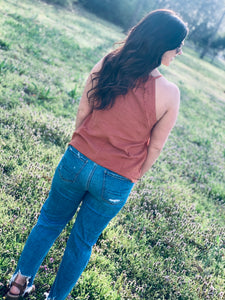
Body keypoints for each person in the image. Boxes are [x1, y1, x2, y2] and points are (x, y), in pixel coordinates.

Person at [6, 9, 188, 300]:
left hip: (77, 159)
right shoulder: (170, 93)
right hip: (116, 179)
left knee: (49, 222)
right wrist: (134, 175)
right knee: (82, 242)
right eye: (178, 45)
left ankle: (17, 283)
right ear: (164, 44)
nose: (180, 52)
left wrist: (82, 146)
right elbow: (155, 146)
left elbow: (84, 109)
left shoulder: (110, 62)